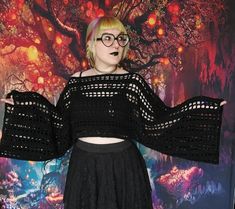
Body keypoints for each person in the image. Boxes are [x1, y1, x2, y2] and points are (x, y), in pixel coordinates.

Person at [0, 16, 226, 209]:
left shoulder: (132, 83)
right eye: (107, 38)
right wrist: (22, 107)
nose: (115, 44)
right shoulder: (76, 83)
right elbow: (58, 128)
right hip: (84, 169)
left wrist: (205, 111)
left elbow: (161, 121)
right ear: (91, 44)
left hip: (124, 169)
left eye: (120, 38)